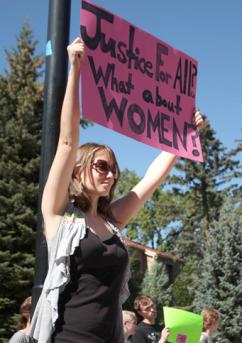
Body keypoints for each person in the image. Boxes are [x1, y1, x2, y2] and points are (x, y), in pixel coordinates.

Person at [29, 37, 203, 343]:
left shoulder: (112, 222)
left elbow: (149, 181)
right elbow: (67, 141)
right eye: (101, 166)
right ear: (79, 169)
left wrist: (183, 137)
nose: (110, 174)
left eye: (113, 169)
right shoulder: (59, 215)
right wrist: (76, 69)